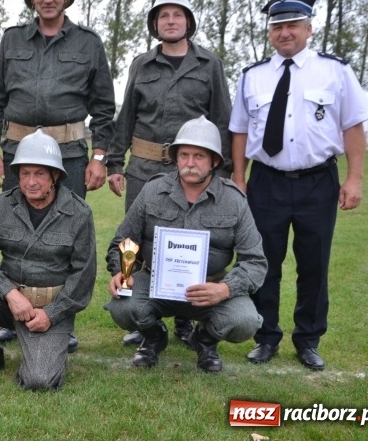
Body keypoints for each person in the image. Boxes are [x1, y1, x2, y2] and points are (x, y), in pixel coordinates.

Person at [230, 0, 368, 371]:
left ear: (309, 28)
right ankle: (265, 336)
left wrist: (354, 179)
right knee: (264, 262)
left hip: (318, 182)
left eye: (292, 24)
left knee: (314, 263)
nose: (284, 32)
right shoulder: (252, 77)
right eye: (277, 26)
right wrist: (240, 180)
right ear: (269, 33)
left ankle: (308, 339)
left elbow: (353, 126)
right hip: (266, 183)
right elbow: (240, 133)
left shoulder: (335, 71)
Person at [0, 0, 115, 351]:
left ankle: (63, 318)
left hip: (70, 153)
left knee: (67, 235)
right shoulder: (11, 40)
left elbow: (104, 107)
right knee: (16, 230)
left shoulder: (89, 43)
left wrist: (100, 157)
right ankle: (12, 313)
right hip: (17, 154)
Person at [106, 0, 233, 349]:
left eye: (177, 15)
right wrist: (115, 162)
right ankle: (138, 313)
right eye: (163, 16)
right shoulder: (141, 64)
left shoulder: (209, 64)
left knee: (192, 237)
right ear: (155, 24)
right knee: (134, 241)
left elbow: (222, 120)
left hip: (194, 169)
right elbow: (126, 115)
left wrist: (223, 174)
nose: (171, 21)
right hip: (144, 167)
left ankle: (185, 316)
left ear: (188, 22)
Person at [104, 116, 266, 372]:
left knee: (244, 321)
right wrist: (121, 273)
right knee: (123, 307)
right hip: (156, 282)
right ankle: (154, 336)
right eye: (184, 155)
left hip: (210, 288)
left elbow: (255, 262)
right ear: (176, 157)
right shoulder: (153, 190)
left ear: (214, 161)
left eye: (199, 156)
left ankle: (205, 339)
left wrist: (225, 289)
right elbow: (125, 242)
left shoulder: (234, 200)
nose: (190, 163)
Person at [0, 128, 97, 390]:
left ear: (55, 175)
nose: (31, 182)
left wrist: (51, 314)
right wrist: (9, 292)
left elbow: (83, 277)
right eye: (25, 173)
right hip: (9, 303)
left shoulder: (79, 213)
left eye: (40, 173)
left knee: (40, 380)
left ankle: (49, 347)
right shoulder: (2, 206)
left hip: (50, 309)